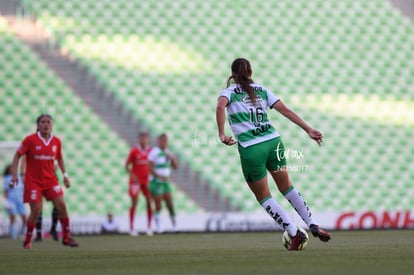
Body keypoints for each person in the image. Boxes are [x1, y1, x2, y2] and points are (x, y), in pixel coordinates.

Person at [216, 58, 331, 250]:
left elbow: (220, 106)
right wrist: (308, 129)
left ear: (233, 74)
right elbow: (284, 110)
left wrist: (221, 133)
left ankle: (294, 232)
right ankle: (312, 223)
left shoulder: (228, 93)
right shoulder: (261, 90)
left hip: (252, 149)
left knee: (264, 196)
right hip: (273, 142)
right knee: (287, 187)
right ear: (250, 72)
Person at [9, 114, 79, 249]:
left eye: (48, 122)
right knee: (36, 210)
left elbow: (60, 158)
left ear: (52, 125)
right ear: (38, 125)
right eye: (42, 122)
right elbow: (18, 155)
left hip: (50, 180)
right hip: (33, 181)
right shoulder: (30, 140)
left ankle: (66, 237)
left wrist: (65, 175)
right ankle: (28, 239)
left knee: (62, 205)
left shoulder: (57, 142)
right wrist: (14, 175)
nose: (46, 124)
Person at [19, 157, 60, 242]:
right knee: (38, 207)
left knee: (58, 204)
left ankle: (53, 229)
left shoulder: (51, 147)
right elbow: (25, 159)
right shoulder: (34, 149)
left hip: (51, 178)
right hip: (37, 180)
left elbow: (57, 163)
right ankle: (38, 233)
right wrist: (23, 174)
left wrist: (53, 167)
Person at [148, 133, 178, 234]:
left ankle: (175, 226)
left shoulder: (168, 152)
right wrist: (159, 176)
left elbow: (175, 166)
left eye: (165, 140)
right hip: (156, 182)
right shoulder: (154, 152)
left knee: (170, 204)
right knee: (159, 205)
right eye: (162, 140)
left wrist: (172, 159)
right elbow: (150, 168)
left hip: (165, 183)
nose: (164, 142)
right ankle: (159, 227)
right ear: (158, 141)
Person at [125, 132, 153, 236]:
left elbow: (152, 165)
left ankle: (149, 227)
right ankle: (132, 227)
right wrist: (133, 177)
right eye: (142, 138)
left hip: (146, 181)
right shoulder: (134, 151)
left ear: (148, 140)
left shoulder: (151, 151)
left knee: (149, 202)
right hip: (135, 181)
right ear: (139, 139)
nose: (143, 140)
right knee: (134, 203)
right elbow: (127, 166)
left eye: (145, 138)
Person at [3, 164, 26, 239]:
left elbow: (23, 187)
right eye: (11, 168)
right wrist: (5, 201)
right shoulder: (7, 178)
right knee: (12, 217)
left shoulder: (20, 177)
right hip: (11, 200)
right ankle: (13, 235)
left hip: (20, 199)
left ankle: (22, 232)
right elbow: (6, 190)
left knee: (24, 216)